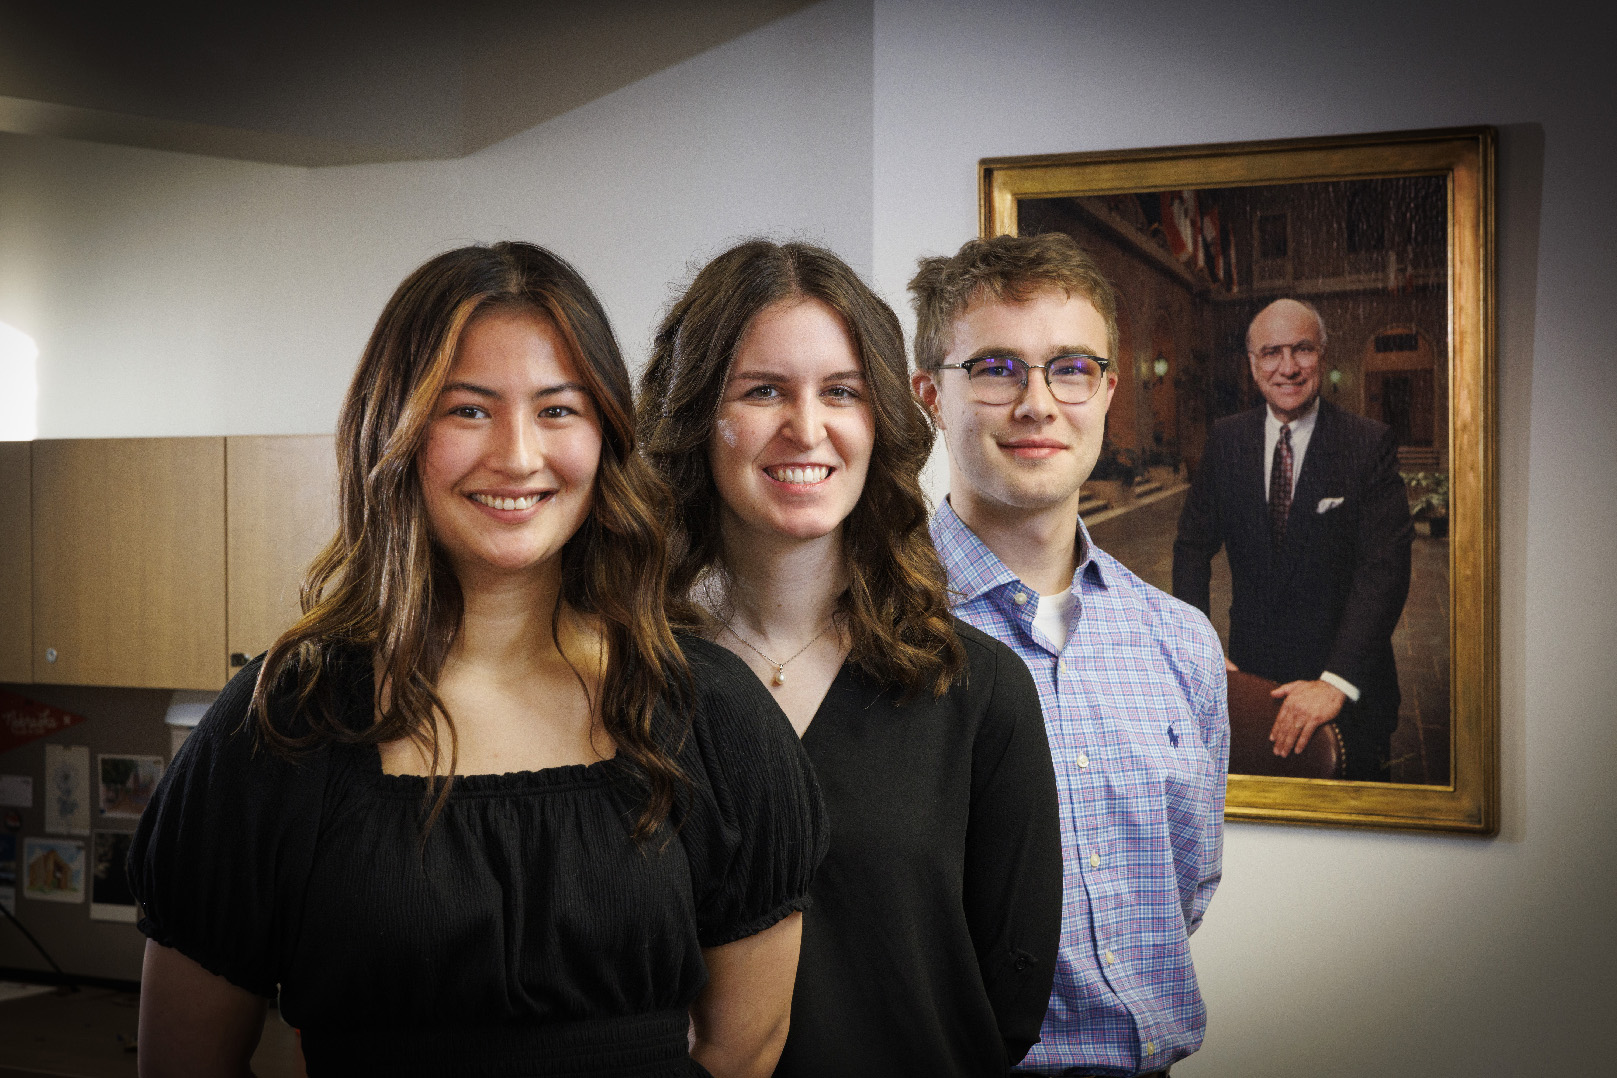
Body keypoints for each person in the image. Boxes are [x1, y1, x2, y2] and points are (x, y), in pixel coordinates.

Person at [128, 242, 827, 1078]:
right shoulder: (283, 722)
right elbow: (182, 1060)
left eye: (558, 410)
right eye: (468, 410)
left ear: (605, 434)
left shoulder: (712, 713)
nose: (519, 456)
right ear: (396, 430)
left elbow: (740, 1048)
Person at [637, 239, 1062, 1077]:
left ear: (883, 422)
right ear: (693, 418)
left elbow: (1008, 1003)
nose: (807, 427)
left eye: (841, 392)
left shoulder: (977, 690)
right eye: (762, 390)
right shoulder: (627, 682)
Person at [909, 232, 1228, 1077]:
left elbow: (1185, 887)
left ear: (1107, 390)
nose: (1037, 403)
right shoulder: (869, 635)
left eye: (1070, 368)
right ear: (928, 397)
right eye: (994, 368)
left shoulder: (1178, 643)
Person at [1172, 298, 1413, 781]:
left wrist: (1334, 682)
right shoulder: (1226, 440)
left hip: (1344, 693)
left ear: (1322, 354)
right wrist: (1201, 648)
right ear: (1252, 363)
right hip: (1249, 685)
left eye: (1302, 349)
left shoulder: (1367, 445)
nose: (1287, 367)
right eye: (1271, 352)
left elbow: (1384, 571)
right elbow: (1192, 547)